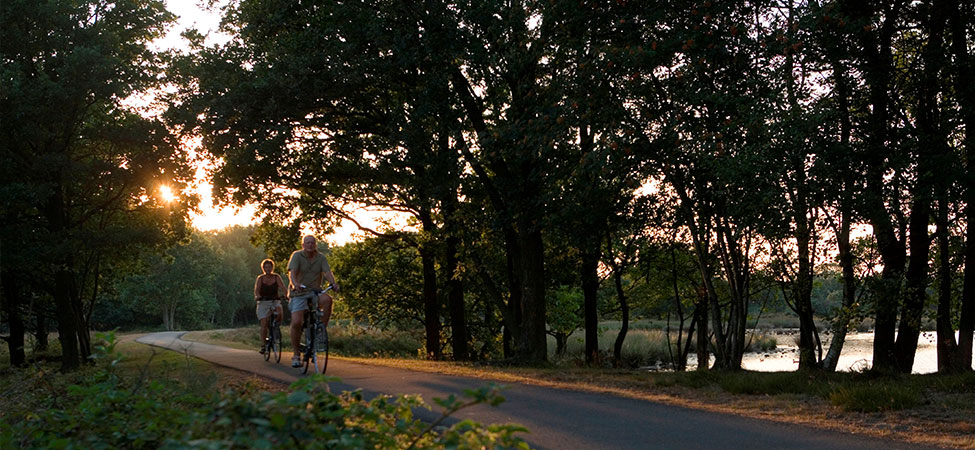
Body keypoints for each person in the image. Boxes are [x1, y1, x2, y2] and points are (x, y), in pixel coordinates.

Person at [287, 235, 340, 367]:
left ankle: (321, 329)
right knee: (297, 322)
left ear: (315, 245)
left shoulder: (321, 257)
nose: (310, 245)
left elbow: (327, 272)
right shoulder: (297, 256)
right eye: (308, 243)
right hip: (299, 292)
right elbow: (292, 273)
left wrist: (333, 283)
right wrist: (295, 284)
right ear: (303, 245)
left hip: (315, 291)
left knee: (327, 300)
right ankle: (296, 354)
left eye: (313, 243)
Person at [254, 259, 286, 354]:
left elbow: (283, 288)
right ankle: (263, 345)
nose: (268, 269)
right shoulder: (260, 278)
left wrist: (285, 294)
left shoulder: (276, 277)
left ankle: (276, 327)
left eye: (269, 267)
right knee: (264, 323)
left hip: (274, 300)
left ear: (272, 268)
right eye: (266, 267)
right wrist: (258, 296)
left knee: (280, 312)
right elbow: (257, 290)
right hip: (264, 301)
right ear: (263, 268)